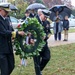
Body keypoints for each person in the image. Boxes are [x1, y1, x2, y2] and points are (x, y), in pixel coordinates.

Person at [0, 4, 25, 75]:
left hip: (9, 48)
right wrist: (17, 33)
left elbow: (11, 30)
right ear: (0, 10)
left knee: (11, 66)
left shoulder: (7, 19)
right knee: (4, 70)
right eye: (5, 11)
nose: (7, 13)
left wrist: (23, 33)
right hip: (1, 50)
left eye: (8, 11)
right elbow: (4, 32)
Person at [33, 9, 51, 75]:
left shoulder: (47, 22)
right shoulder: (34, 21)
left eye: (47, 17)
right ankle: (38, 72)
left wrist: (46, 37)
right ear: (41, 14)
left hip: (44, 44)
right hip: (36, 45)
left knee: (47, 57)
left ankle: (39, 70)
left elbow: (49, 32)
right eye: (45, 17)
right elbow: (29, 32)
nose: (45, 18)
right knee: (36, 62)